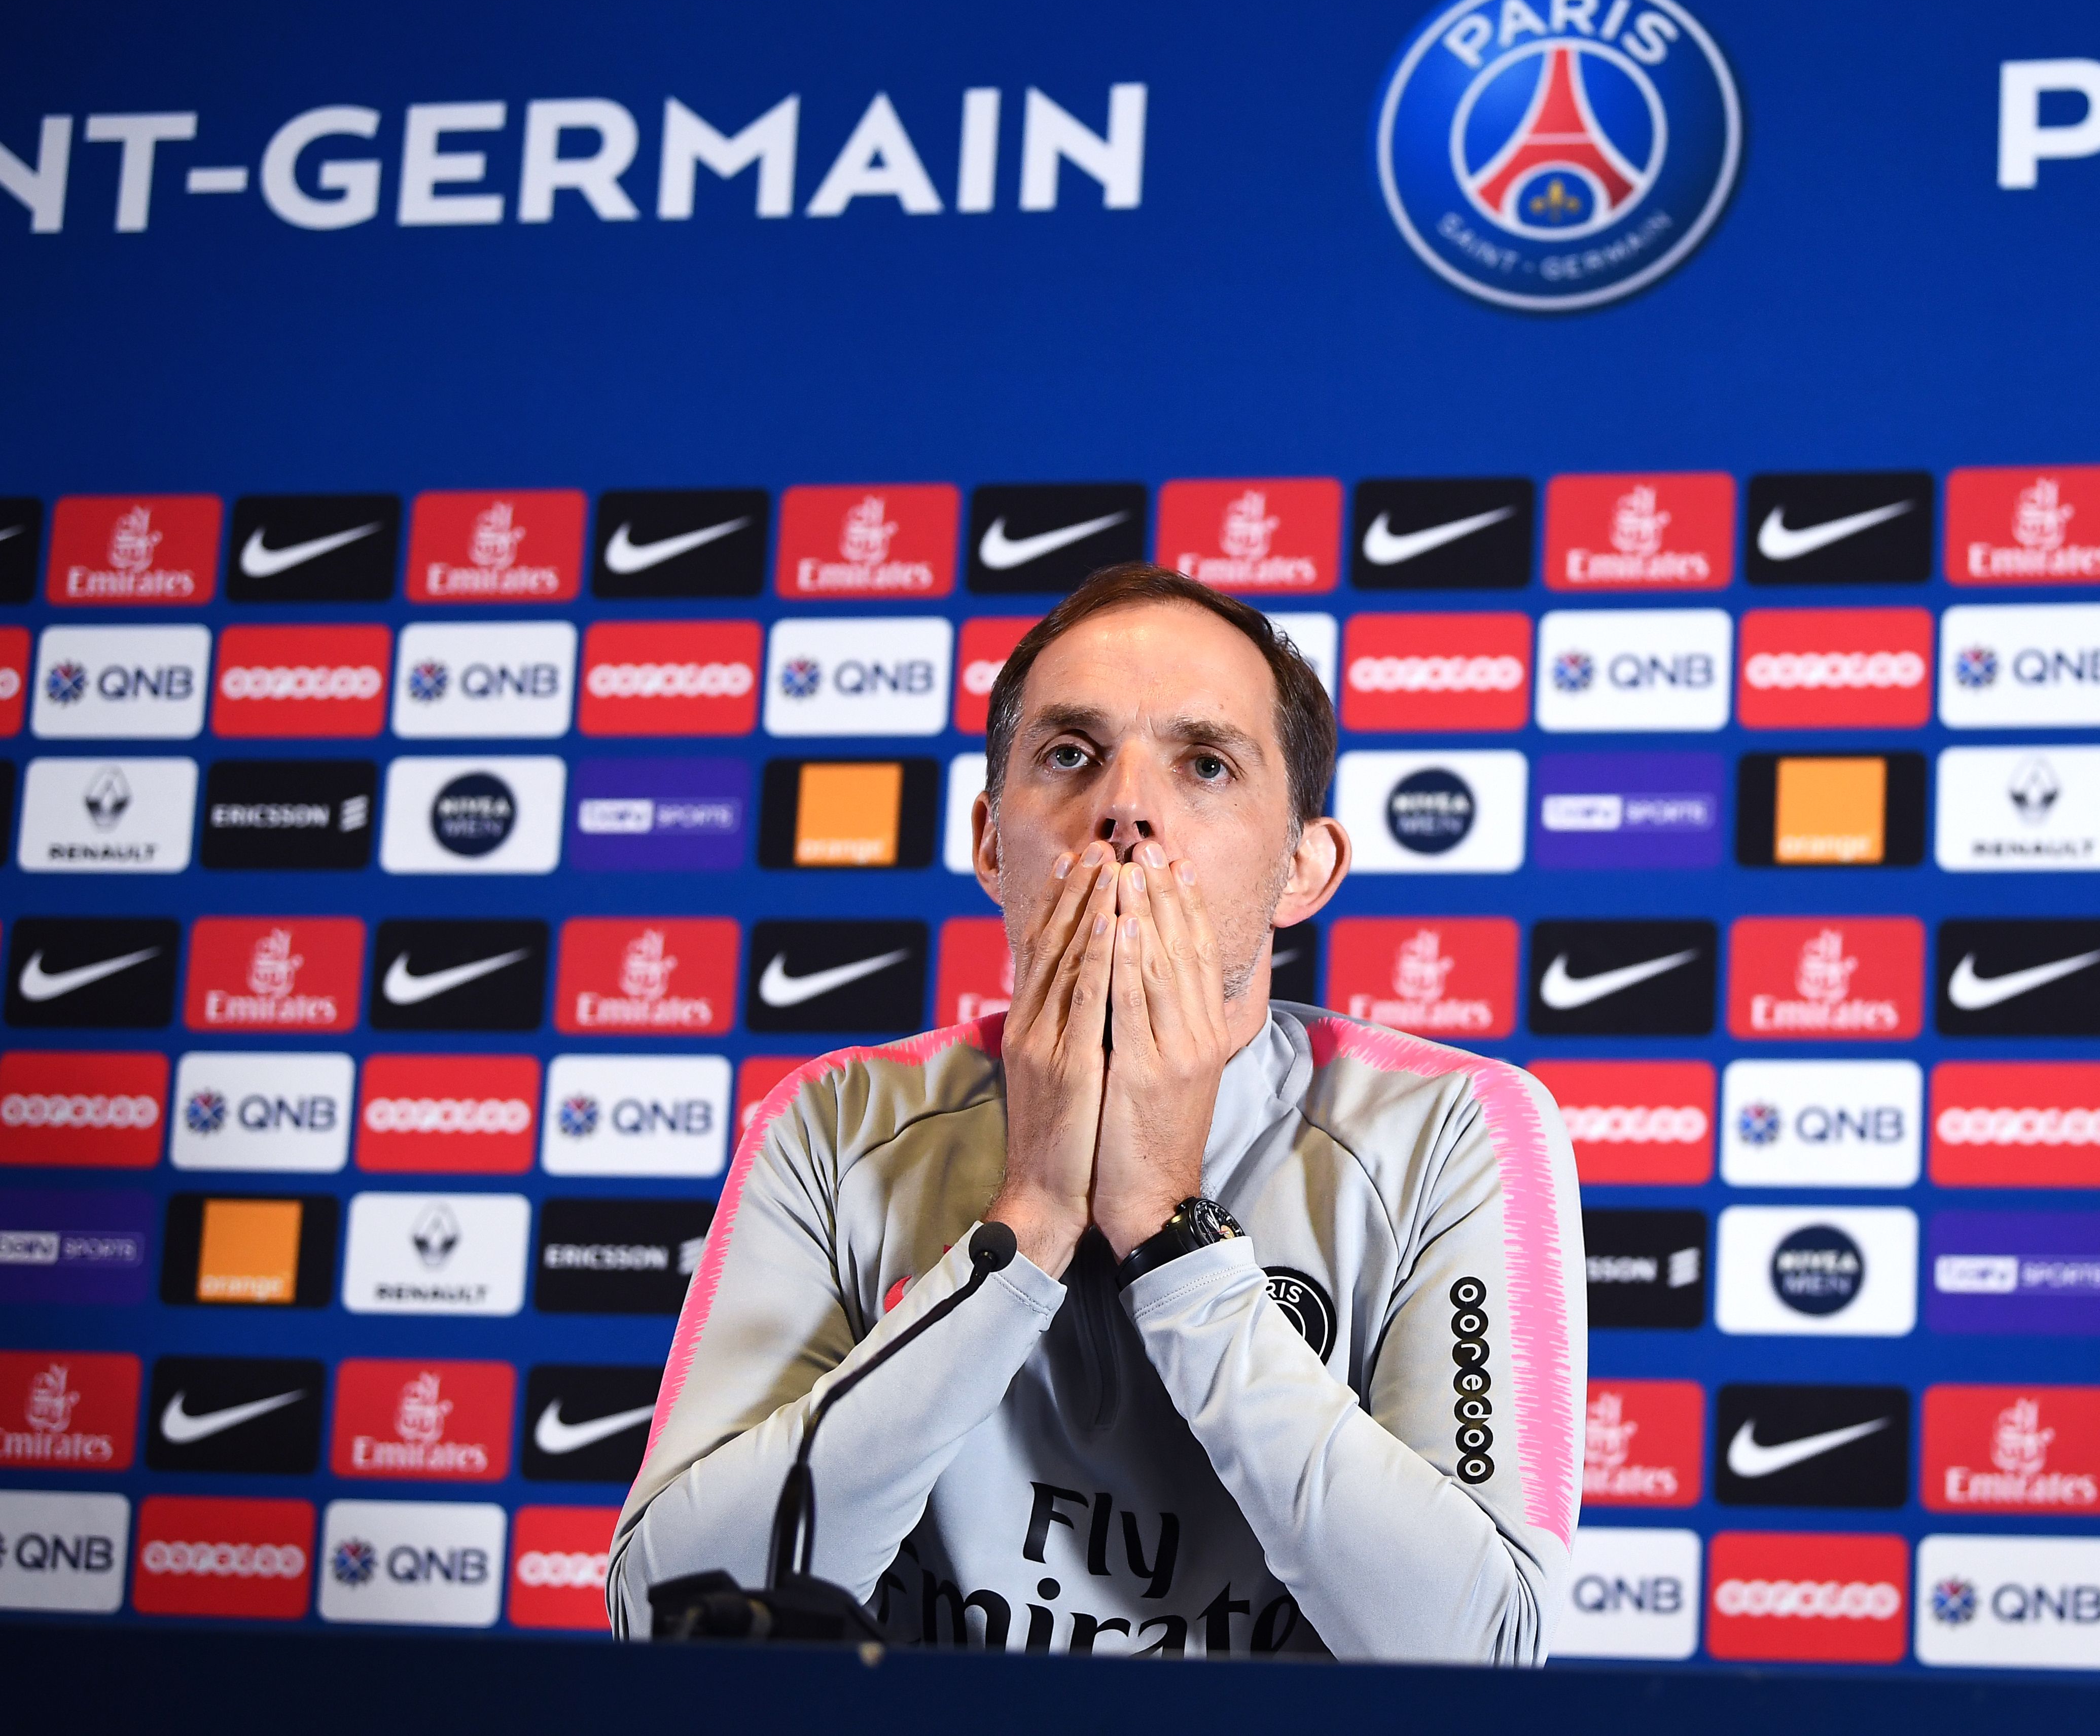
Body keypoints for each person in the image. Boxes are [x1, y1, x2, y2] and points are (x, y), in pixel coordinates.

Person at [610, 564, 1585, 1663]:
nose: (1125, 806)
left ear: (1302, 867)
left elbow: (1482, 1651)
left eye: (1205, 765)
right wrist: (1022, 1229)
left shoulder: (1453, 1129)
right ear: (989, 843)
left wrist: (1172, 1233)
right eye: (1069, 755)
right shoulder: (837, 1121)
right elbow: (665, 1611)